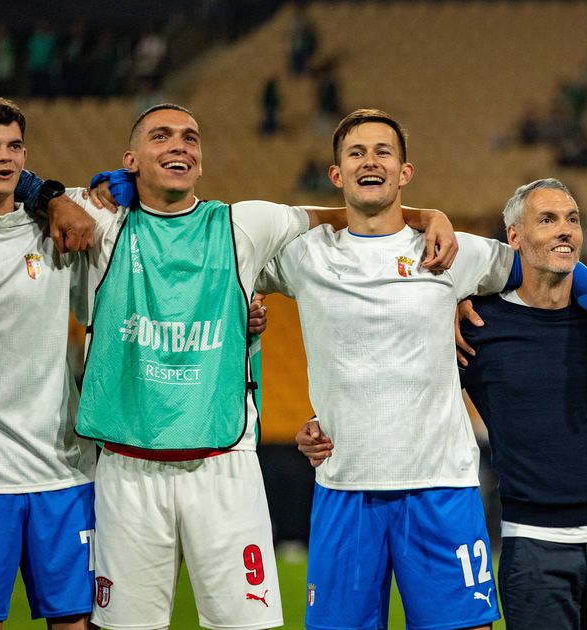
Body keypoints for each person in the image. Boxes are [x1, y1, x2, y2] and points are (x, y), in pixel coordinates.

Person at [73, 103, 457, 630]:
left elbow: (353, 214)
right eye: (161, 137)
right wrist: (54, 195)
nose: (179, 146)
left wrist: (427, 215)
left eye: (190, 137)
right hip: (126, 462)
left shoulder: (244, 223)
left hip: (224, 460)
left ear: (202, 161)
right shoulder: (96, 226)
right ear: (131, 158)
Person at [271, 110, 587, 630]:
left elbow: (556, 261)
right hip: (344, 484)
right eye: (356, 153)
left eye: (384, 152)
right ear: (336, 175)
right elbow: (231, 270)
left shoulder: (452, 252)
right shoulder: (302, 256)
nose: (370, 161)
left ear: (406, 172)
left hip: (441, 486)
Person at [460, 179, 587, 629]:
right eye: (547, 220)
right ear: (514, 237)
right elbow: (416, 389)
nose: (565, 230)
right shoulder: (478, 324)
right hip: (533, 543)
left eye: (573, 220)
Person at [0, 96, 97, 630]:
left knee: (76, 623)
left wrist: (56, 197)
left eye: (14, 145)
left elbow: (126, 194)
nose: (4, 157)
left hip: (62, 470)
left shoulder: (59, 230)